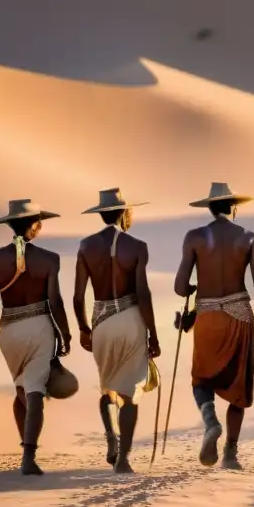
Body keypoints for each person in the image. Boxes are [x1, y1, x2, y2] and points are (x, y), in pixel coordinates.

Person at [174, 182, 254, 470]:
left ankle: (210, 420)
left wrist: (193, 286)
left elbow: (180, 287)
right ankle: (230, 452)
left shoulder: (194, 237)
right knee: (239, 386)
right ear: (234, 207)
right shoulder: (248, 237)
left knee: (201, 379)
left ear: (210, 208)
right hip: (240, 314)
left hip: (207, 315)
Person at [0, 199, 72, 476]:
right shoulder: (50, 259)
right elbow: (55, 300)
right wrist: (65, 333)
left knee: (21, 390)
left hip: (9, 330)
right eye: (39, 223)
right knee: (35, 393)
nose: (41, 227)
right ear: (33, 226)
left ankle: (26, 452)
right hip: (40, 327)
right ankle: (28, 457)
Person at [74, 188, 161, 473]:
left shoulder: (86, 247)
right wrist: (154, 335)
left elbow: (77, 297)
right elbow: (143, 294)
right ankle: (123, 459)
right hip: (131, 319)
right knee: (130, 393)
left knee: (107, 385)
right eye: (131, 211)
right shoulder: (137, 246)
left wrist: (84, 329)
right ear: (124, 213)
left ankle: (111, 434)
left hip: (101, 322)